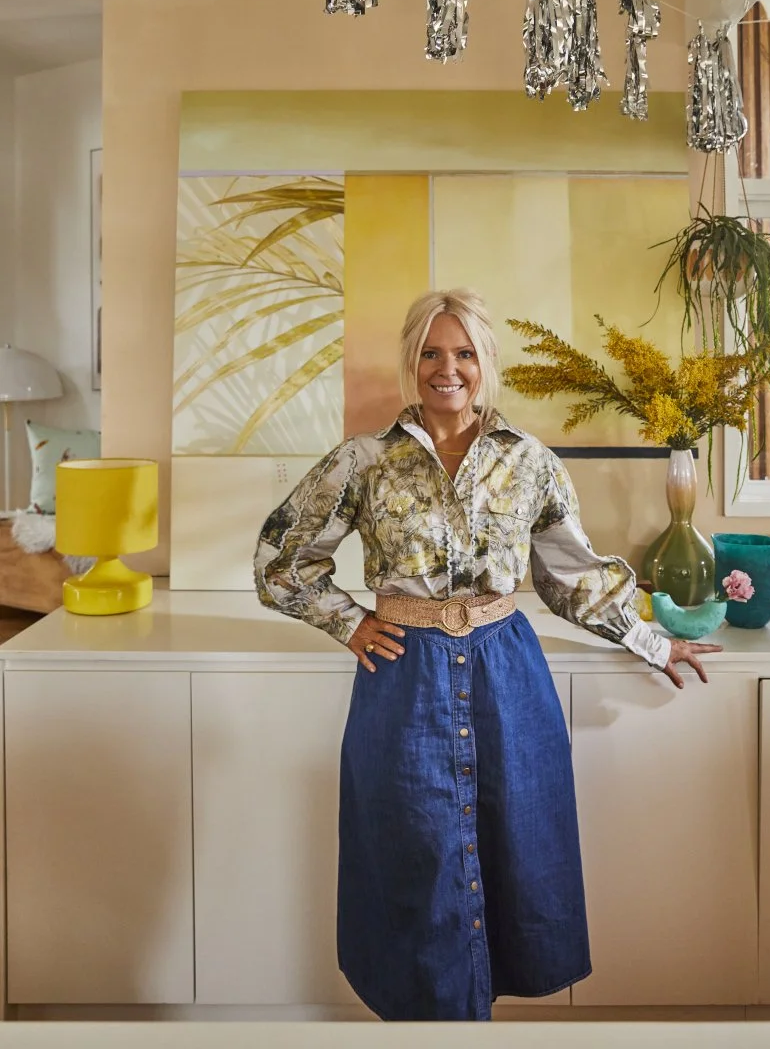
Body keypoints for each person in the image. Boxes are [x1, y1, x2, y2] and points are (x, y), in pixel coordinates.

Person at [253, 288, 721, 1022]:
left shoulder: (529, 461)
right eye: (432, 353)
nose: (449, 369)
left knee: (513, 848)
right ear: (412, 362)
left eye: (465, 353)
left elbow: (570, 575)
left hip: (507, 675)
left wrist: (653, 642)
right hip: (402, 676)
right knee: (417, 854)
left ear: (485, 362)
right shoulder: (363, 461)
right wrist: (347, 622)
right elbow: (281, 561)